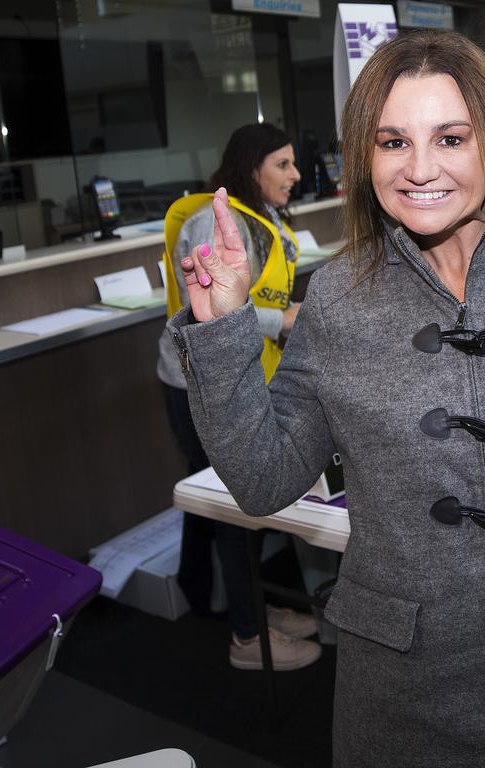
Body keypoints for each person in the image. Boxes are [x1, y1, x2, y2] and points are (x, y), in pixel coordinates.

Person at [169, 29, 485, 767]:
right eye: (394, 142)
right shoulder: (338, 298)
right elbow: (265, 480)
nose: (421, 168)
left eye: (451, 137)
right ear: (365, 160)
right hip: (404, 685)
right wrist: (224, 331)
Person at [158, 123, 321, 671]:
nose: (295, 175)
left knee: (232, 506)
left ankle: (233, 603)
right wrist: (285, 318)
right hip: (200, 383)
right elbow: (207, 307)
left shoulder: (266, 218)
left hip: (246, 371)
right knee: (231, 507)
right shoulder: (214, 220)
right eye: (283, 164)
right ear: (253, 168)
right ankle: (248, 638)